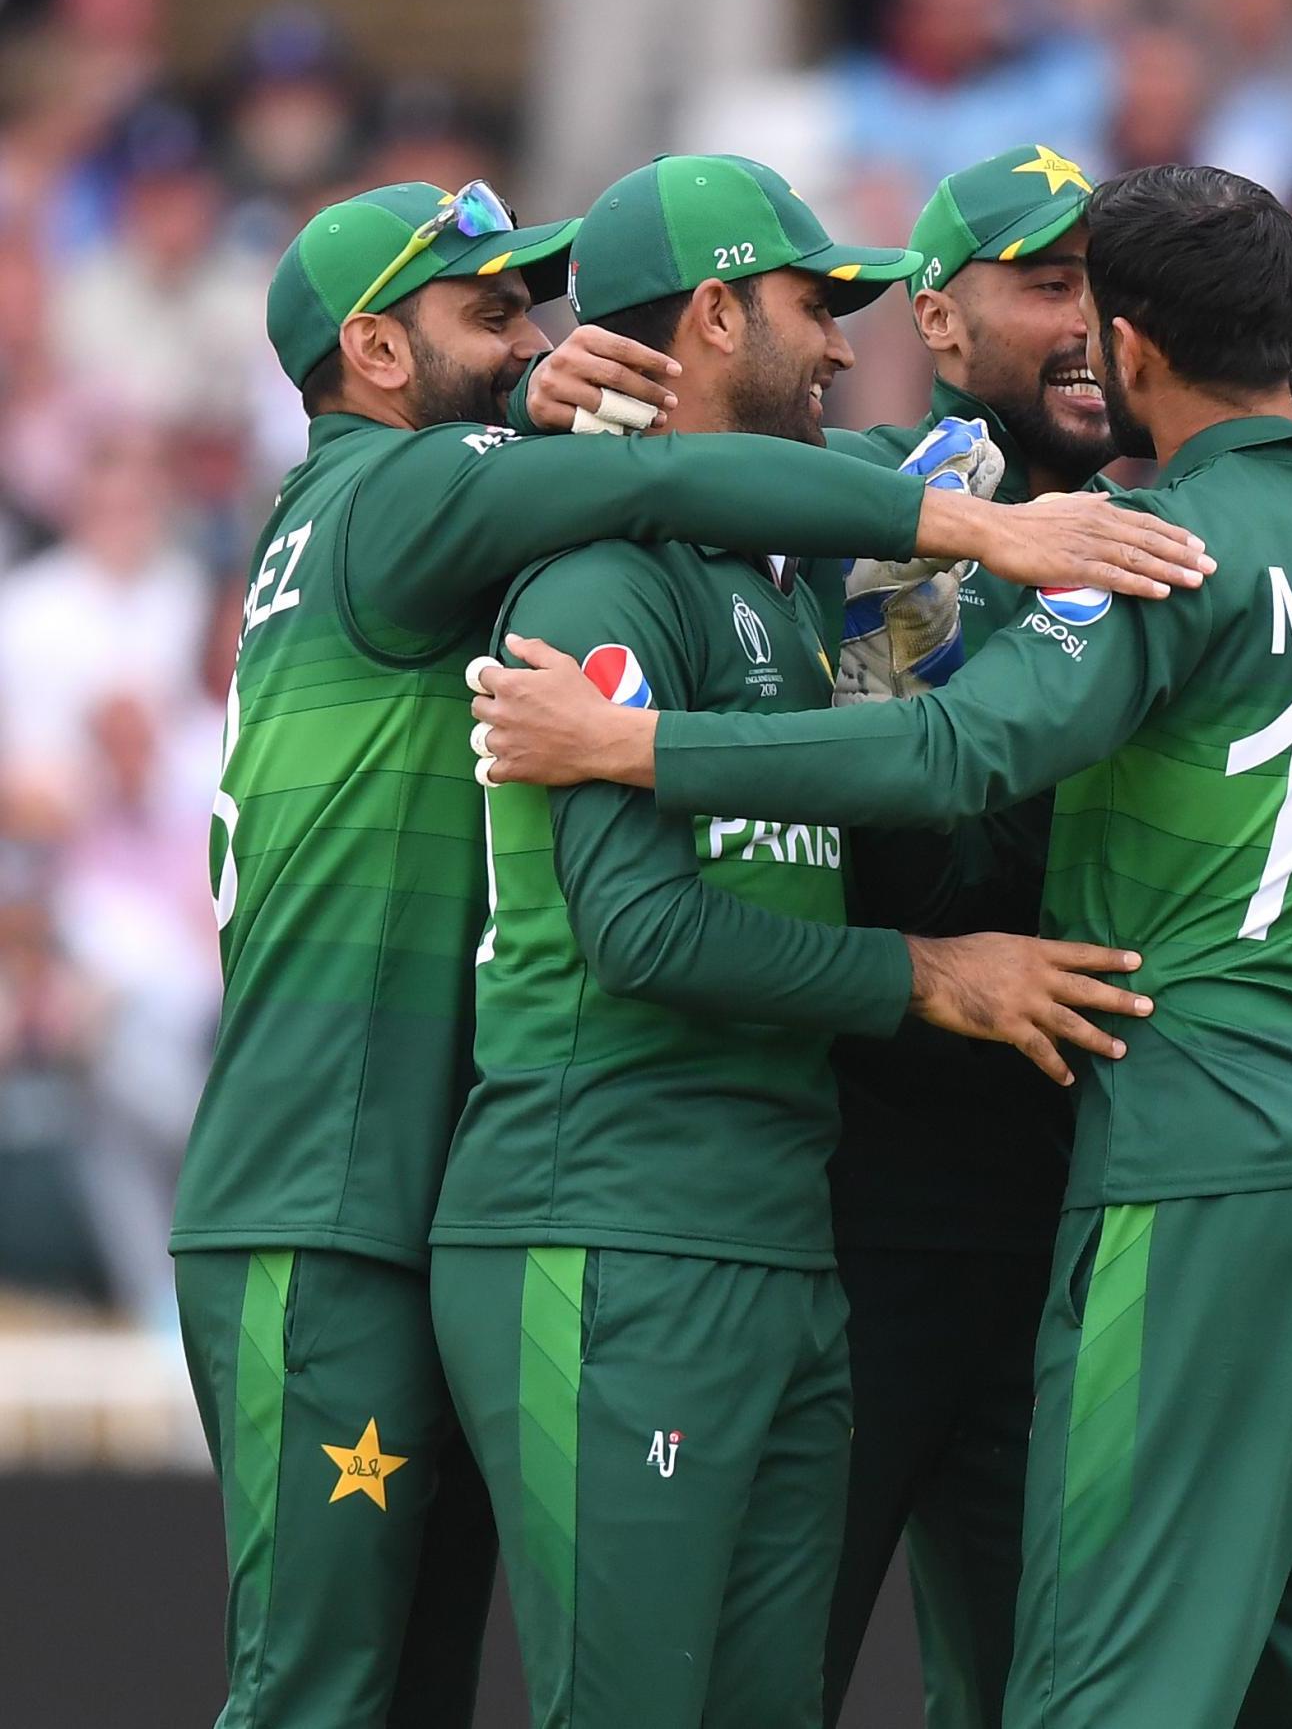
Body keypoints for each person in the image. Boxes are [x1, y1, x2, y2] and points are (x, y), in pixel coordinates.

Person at [468, 162, 1292, 1729]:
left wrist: (640, 753)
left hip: (1202, 1173)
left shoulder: (1147, 549)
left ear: (1129, 350)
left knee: (1113, 1683)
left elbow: (947, 760)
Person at [173, 175, 1207, 1729]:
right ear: (376, 353)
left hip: (408, 1164)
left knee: (405, 1686)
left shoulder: (449, 500)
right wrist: (983, 526)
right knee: (317, 1690)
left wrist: (525, 393)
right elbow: (667, 486)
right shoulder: (399, 493)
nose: (550, 350)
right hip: (329, 1184)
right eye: (498, 321)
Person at [426, 153, 1155, 1729]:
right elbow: (633, 926)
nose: (839, 344)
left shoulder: (787, 582)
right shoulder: (603, 574)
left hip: (765, 1228)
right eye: (811, 305)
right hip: (607, 1215)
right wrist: (931, 976)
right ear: (707, 315)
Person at [808, 142, 1118, 1729]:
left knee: (1037, 1692)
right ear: (935, 320)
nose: (1089, 323)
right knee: (765, 1664)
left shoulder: (1198, 521)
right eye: (1046, 282)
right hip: (871, 1220)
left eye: (1109, 287)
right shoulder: (867, 517)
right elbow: (875, 862)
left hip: (1105, 1223)